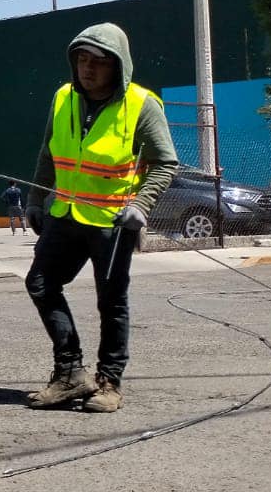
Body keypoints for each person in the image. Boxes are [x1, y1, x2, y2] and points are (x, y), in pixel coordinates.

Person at [23, 23, 177, 413]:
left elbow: (164, 163)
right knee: (40, 283)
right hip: (66, 214)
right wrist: (36, 200)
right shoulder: (62, 98)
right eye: (81, 59)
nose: (87, 69)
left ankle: (109, 382)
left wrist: (141, 206)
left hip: (113, 221)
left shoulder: (142, 105)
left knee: (111, 301)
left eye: (99, 63)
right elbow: (48, 153)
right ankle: (71, 373)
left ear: (118, 67)